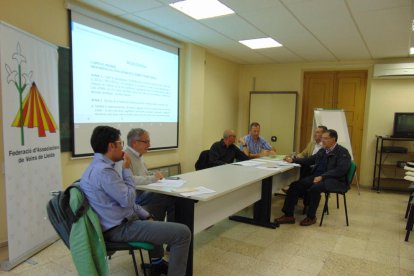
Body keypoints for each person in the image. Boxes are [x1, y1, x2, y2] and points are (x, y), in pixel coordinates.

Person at [80, 126, 190, 276]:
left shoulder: (98, 167)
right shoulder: (105, 172)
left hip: (122, 220)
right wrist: (126, 170)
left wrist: (146, 215)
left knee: (158, 214)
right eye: (121, 143)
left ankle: (157, 263)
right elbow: (128, 199)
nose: (122, 147)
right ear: (111, 146)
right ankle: (160, 264)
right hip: (119, 228)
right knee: (183, 233)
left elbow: (127, 201)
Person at [275, 129, 351, 226]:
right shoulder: (323, 150)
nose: (322, 140)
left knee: (315, 188)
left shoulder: (343, 152)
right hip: (318, 176)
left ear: (333, 139)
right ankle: (288, 215)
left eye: (325, 138)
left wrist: (322, 177)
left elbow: (341, 170)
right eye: (322, 138)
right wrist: (293, 160)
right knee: (295, 185)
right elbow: (310, 160)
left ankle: (311, 217)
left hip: (334, 179)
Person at [123, 128, 175, 223]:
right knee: (167, 196)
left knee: (171, 194)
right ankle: (163, 227)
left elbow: (143, 173)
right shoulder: (125, 157)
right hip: (136, 197)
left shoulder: (139, 155)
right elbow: (130, 180)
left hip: (143, 192)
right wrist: (152, 178)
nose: (149, 145)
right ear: (135, 143)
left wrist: (154, 174)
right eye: (146, 142)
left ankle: (167, 227)